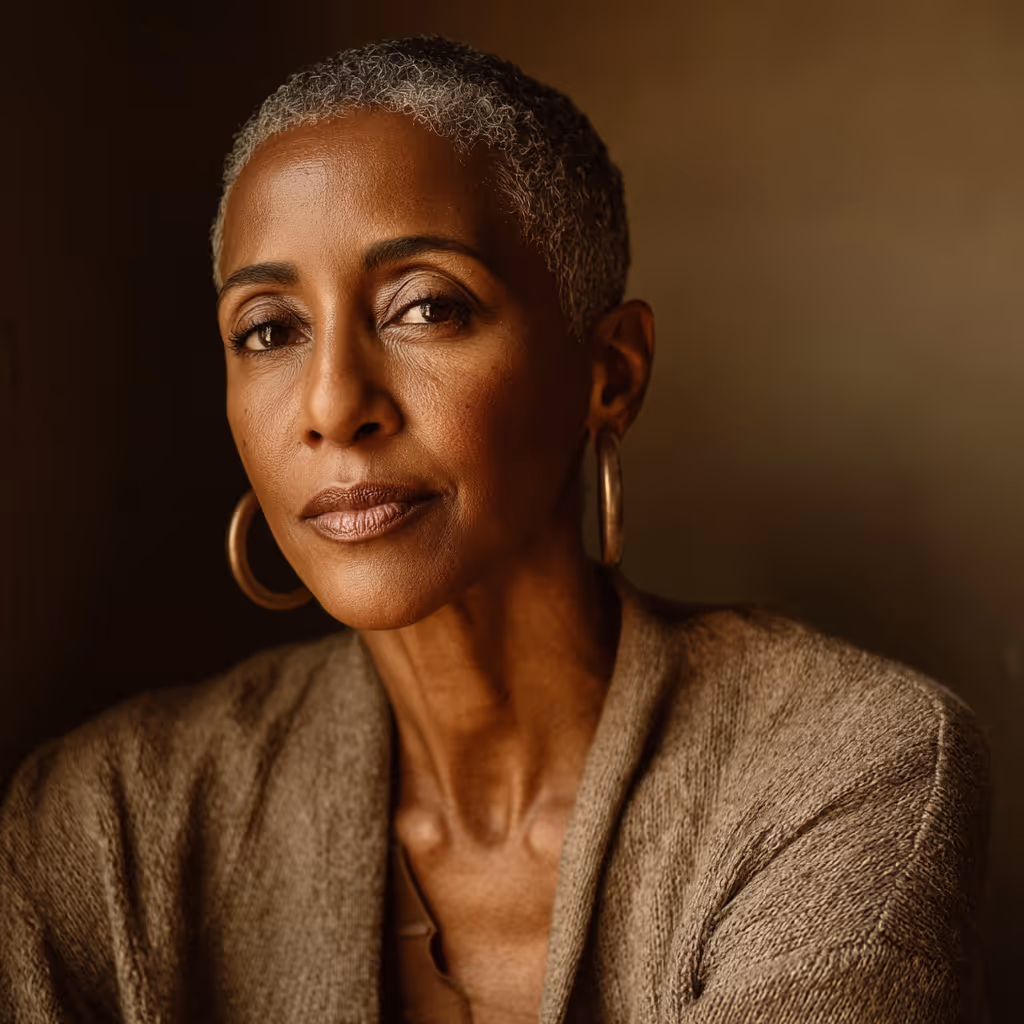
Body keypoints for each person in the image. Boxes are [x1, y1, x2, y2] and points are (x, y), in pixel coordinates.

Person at [0, 35, 990, 1024]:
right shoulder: (101, 825)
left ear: (610, 374)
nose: (333, 403)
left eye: (425, 308)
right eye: (268, 329)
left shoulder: (845, 765)